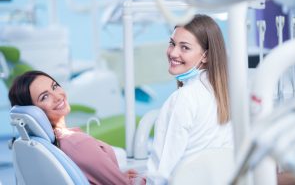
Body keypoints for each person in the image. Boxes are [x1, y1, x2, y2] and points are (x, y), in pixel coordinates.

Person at [8, 70, 145, 185]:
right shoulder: (77, 143)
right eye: (44, 97)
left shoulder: (44, 146)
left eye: (55, 86)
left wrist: (115, 175)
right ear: (34, 112)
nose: (57, 96)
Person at [147, 14, 233, 181]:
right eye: (172, 44)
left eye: (184, 47)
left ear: (206, 56)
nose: (173, 53)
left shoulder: (184, 98)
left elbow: (162, 170)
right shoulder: (224, 95)